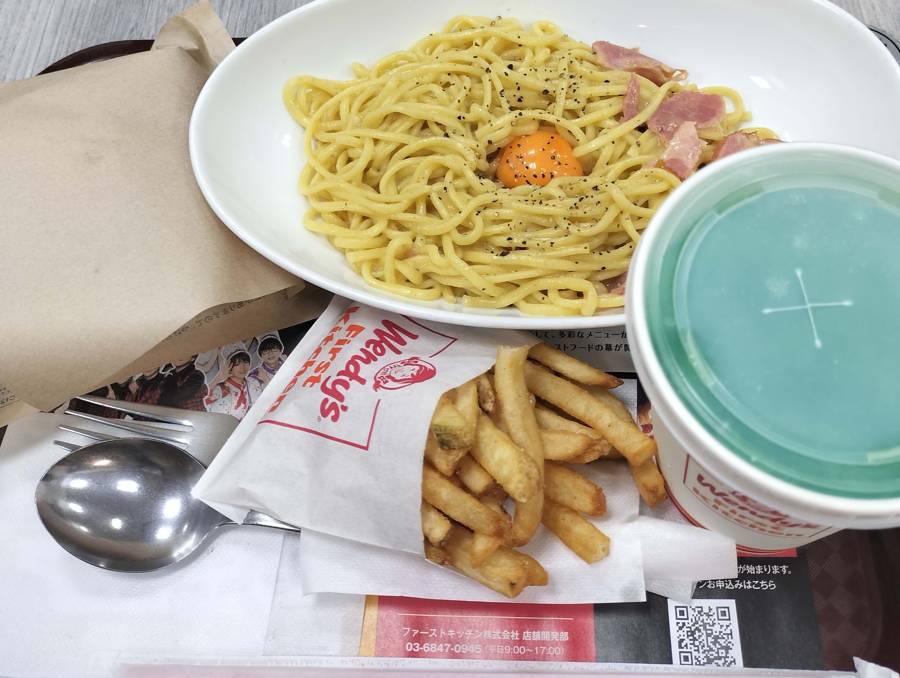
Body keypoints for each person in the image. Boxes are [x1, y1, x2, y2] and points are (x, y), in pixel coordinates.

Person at [205, 349, 254, 418]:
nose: (242, 367)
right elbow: (205, 401)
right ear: (230, 368)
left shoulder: (251, 383)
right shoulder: (222, 387)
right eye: (237, 364)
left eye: (245, 362)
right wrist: (218, 378)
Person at [248, 333, 285, 399]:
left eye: (273, 348)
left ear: (280, 350)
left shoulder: (289, 363)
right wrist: (266, 380)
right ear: (260, 355)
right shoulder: (254, 377)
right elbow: (259, 403)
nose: (270, 353)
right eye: (265, 351)